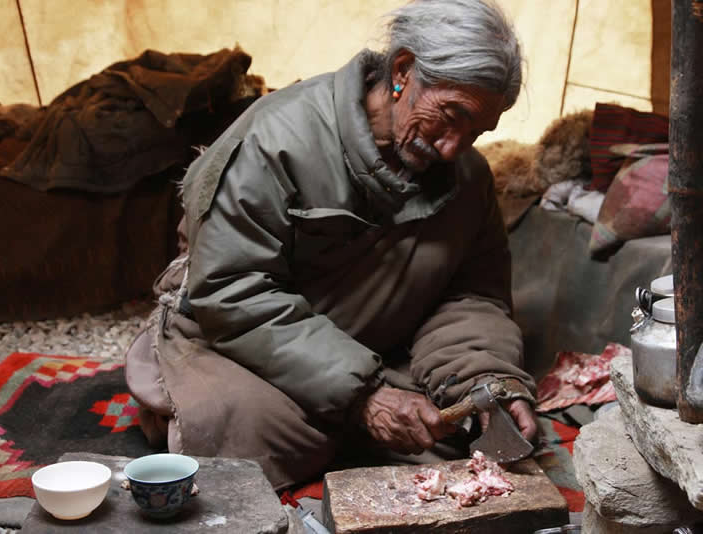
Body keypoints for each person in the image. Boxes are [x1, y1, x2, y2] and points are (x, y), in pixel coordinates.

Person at [126, 0, 538, 490]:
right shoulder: (277, 139)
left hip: (371, 350)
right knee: (248, 427)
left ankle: (358, 412)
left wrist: (484, 381)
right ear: (403, 70)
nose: (453, 147)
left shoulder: (466, 177)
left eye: (475, 132)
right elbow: (232, 291)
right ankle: (180, 398)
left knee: (450, 426)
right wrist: (366, 397)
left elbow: (473, 296)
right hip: (244, 345)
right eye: (451, 115)